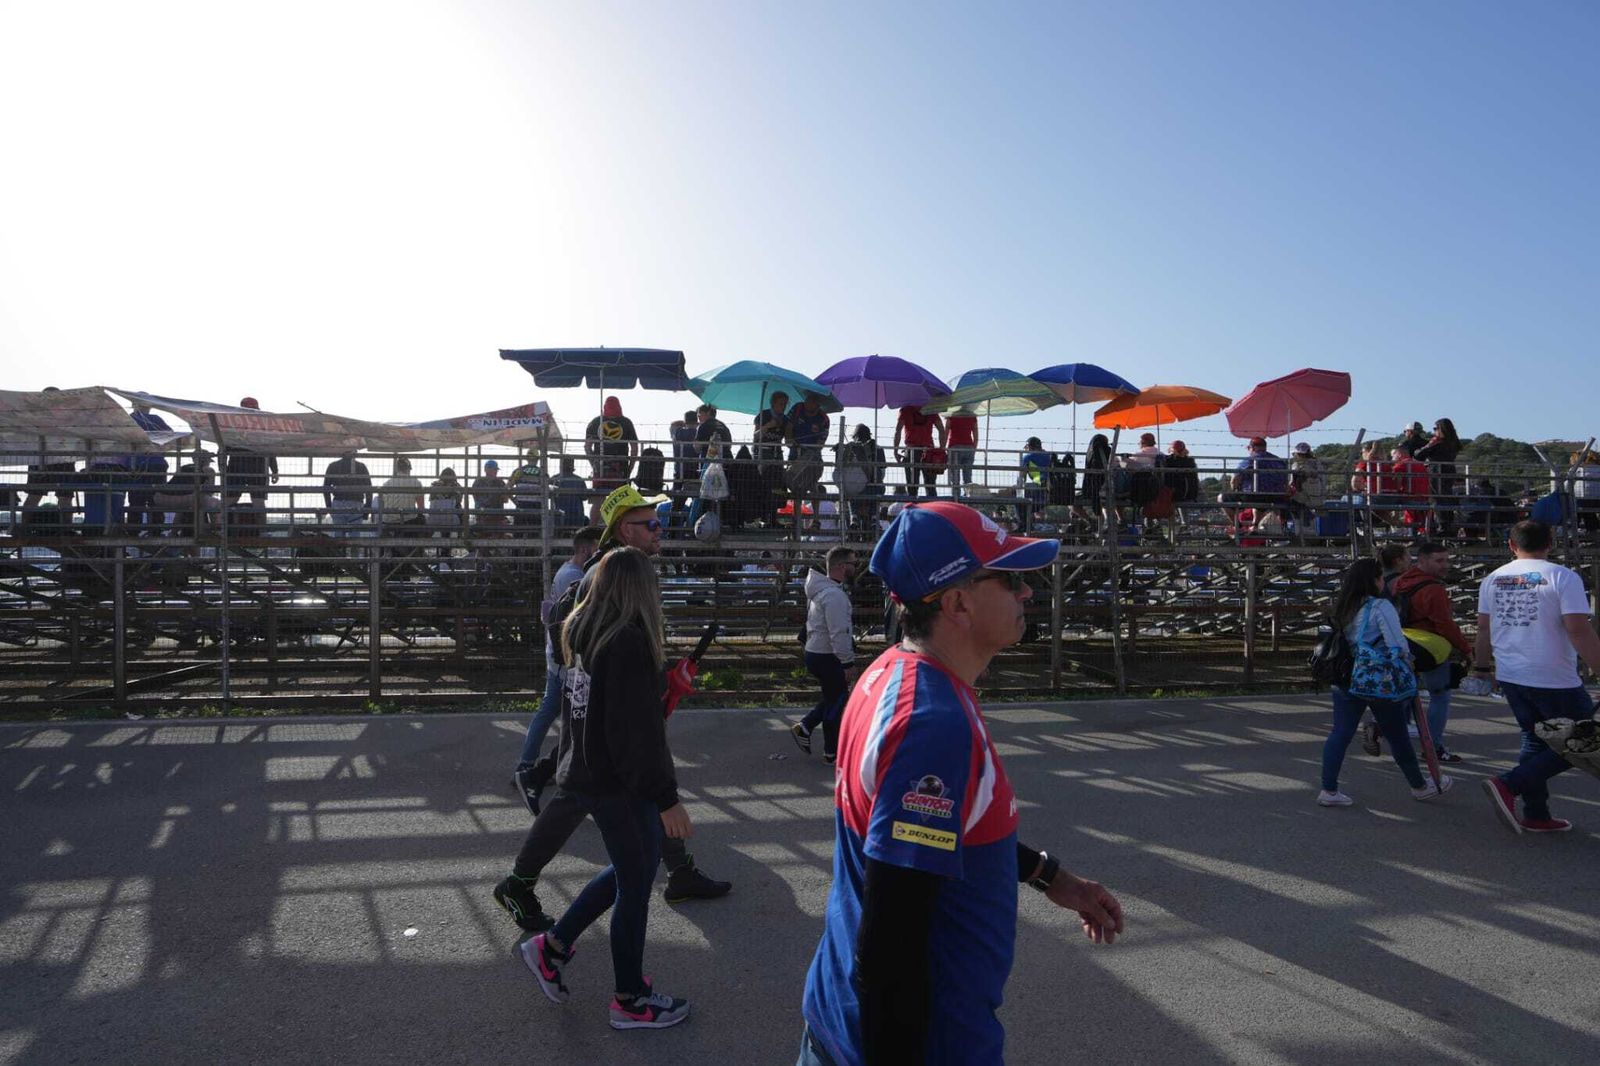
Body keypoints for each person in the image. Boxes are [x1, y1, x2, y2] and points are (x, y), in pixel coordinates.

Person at [798, 502, 1123, 1066]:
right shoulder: (933, 724)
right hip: (919, 1044)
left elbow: (939, 836)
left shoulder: (894, 671)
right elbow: (891, 948)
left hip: (845, 1023)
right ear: (956, 603)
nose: (1027, 593)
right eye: (1010, 578)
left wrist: (1052, 877)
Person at [495, 484, 732, 930]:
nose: (661, 530)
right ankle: (523, 888)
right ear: (627, 528)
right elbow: (565, 624)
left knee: (587, 788)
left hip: (609, 697)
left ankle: (676, 870)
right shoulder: (605, 570)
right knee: (590, 787)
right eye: (653, 524)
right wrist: (588, 677)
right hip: (603, 700)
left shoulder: (625, 566)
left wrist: (660, 677)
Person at [511, 546, 694, 1031]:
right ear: (642, 589)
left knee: (634, 869)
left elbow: (606, 715)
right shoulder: (628, 641)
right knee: (635, 885)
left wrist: (662, 689)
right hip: (618, 781)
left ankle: (552, 948)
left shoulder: (582, 631)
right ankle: (630, 999)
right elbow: (636, 733)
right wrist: (666, 797)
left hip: (590, 773)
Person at [1476, 521, 1600, 834]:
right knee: (1582, 742)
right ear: (1551, 542)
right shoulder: (1562, 576)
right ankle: (1509, 784)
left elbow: (1483, 629)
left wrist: (1481, 668)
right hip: (1552, 675)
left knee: (1535, 739)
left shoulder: (1492, 579)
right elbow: (1578, 629)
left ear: (1511, 545)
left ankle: (1536, 813)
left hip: (1511, 674)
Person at [1317, 557, 1450, 807]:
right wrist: (1409, 663)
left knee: (1340, 733)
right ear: (1374, 580)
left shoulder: (1342, 606)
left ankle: (1329, 789)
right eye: (1380, 577)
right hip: (1377, 678)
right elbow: (1397, 644)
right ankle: (1419, 785)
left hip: (1345, 676)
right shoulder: (1379, 607)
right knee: (1397, 734)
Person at [511, 526, 603, 813]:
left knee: (555, 712)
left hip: (560, 656)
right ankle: (536, 768)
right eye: (597, 547)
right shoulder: (574, 576)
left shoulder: (568, 572)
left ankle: (535, 766)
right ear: (586, 549)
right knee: (565, 715)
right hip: (564, 658)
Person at [1391, 542, 1474, 763]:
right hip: (1429, 647)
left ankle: (1391, 735)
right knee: (1440, 696)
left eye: (1446, 560)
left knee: (1406, 694)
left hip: (1402, 643)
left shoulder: (1399, 583)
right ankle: (1433, 747)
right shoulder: (1433, 589)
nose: (1445, 565)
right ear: (1423, 561)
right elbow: (1445, 625)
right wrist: (1466, 649)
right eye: (1439, 560)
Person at [791, 546, 857, 762]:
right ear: (841, 566)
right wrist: (847, 662)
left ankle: (806, 727)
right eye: (852, 564)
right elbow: (838, 632)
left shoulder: (823, 590)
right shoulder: (833, 595)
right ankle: (831, 752)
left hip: (816, 652)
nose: (855, 568)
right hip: (827, 655)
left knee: (833, 697)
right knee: (837, 702)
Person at [224, 397, 279, 528]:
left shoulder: (231, 426)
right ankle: (262, 530)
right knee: (257, 502)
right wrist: (275, 470)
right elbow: (270, 449)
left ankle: (221, 529)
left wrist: (223, 467)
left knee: (230, 501)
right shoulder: (263, 427)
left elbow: (223, 447)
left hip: (237, 468)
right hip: (255, 468)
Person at [127, 403, 173, 531]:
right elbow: (170, 435)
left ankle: (134, 529)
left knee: (136, 499)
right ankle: (156, 530)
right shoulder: (156, 419)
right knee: (155, 499)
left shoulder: (129, 419)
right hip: (155, 464)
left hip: (136, 465)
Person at [584, 396, 639, 502]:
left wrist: (594, 464)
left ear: (605, 407)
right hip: (620, 468)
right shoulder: (626, 422)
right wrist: (630, 468)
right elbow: (634, 448)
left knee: (598, 501)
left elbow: (587, 446)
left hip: (600, 468)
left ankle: (595, 519)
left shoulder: (596, 422)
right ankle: (619, 519)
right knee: (620, 501)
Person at [835, 425, 888, 530]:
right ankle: (874, 517)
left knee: (850, 490)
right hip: (874, 488)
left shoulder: (850, 448)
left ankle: (853, 517)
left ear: (855, 436)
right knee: (877, 489)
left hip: (856, 489)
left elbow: (840, 469)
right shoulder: (878, 449)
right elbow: (882, 471)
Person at [893, 404, 945, 498]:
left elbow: (898, 430)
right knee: (930, 486)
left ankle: (913, 508)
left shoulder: (905, 410)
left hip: (911, 451)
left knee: (912, 487)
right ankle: (931, 509)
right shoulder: (931, 409)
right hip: (928, 452)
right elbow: (941, 430)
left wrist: (895, 450)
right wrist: (941, 449)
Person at [321, 449, 372, 532]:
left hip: (338, 503)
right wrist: (367, 510)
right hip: (357, 503)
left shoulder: (333, 466)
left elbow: (326, 488)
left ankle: (340, 544)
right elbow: (369, 489)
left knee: (339, 533)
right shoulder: (361, 466)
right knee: (355, 535)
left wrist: (329, 507)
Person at [376, 456, 425, 531]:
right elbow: (421, 507)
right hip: (409, 522)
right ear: (408, 469)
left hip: (389, 522)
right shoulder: (416, 483)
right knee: (422, 519)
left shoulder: (386, 484)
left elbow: (381, 506)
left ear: (397, 469)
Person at [1018, 437, 1053, 532]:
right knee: (1030, 504)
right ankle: (1028, 525)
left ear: (1029, 446)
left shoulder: (1028, 457)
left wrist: (1019, 489)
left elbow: (1022, 477)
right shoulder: (1048, 455)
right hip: (1051, 489)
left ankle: (1024, 526)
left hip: (1038, 487)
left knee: (1018, 499)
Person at [427, 467, 465, 551]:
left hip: (434, 518)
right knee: (461, 511)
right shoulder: (457, 486)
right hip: (451, 518)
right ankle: (460, 535)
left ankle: (428, 540)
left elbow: (431, 500)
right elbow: (459, 501)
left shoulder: (434, 485)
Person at [508, 450, 547, 530]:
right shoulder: (542, 473)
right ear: (537, 459)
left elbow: (507, 488)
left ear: (526, 458)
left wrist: (515, 501)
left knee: (519, 533)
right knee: (535, 534)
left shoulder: (518, 471)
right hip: (537, 506)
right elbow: (547, 491)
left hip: (521, 505)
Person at [944, 406, 979, 495]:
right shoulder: (972, 416)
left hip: (954, 447)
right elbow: (975, 433)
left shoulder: (952, 415)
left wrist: (943, 447)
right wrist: (974, 447)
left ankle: (956, 498)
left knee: (955, 476)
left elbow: (946, 432)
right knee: (968, 476)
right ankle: (968, 497)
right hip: (969, 447)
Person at [1289, 441, 1327, 522]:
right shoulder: (1318, 465)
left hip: (1306, 499)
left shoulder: (1298, 467)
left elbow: (1294, 485)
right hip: (1319, 498)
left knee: (1288, 501)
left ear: (1299, 454)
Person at [754, 391, 793, 469]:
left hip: (777, 453)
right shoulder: (763, 415)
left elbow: (788, 442)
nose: (784, 407)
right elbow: (756, 436)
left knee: (777, 478)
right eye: (781, 404)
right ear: (773, 403)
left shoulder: (786, 420)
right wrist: (768, 426)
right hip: (761, 453)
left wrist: (790, 430)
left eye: (785, 404)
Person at [1163, 440, 1200, 521]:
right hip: (1190, 495)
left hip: (1175, 494)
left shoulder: (1169, 460)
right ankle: (1184, 525)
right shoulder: (1190, 461)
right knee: (1180, 503)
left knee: (1169, 500)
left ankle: (1167, 527)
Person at [470, 459, 509, 529]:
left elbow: (475, 497)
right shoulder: (500, 482)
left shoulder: (478, 482)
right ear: (487, 469)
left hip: (485, 515)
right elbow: (505, 500)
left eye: (495, 470)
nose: (496, 471)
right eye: (494, 469)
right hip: (494, 516)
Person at [551, 458, 588, 530]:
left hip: (559, 518)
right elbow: (585, 497)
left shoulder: (554, 479)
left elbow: (547, 496)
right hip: (577, 518)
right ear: (572, 465)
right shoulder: (579, 480)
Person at [670, 410, 700, 493]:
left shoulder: (677, 432)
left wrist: (684, 423)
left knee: (676, 499)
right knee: (696, 497)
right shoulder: (698, 433)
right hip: (694, 471)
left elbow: (673, 424)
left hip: (679, 470)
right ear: (697, 422)